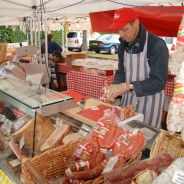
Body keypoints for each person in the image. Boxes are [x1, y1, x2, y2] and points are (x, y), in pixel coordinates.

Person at [102, 8, 169, 129]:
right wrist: (114, 87)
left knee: (145, 139)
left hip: (150, 104)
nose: (121, 34)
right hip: (128, 102)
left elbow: (159, 82)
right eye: (119, 30)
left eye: (124, 29)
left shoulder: (157, 45)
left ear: (136, 24)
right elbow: (121, 72)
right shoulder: (123, 45)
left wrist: (127, 86)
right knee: (126, 137)